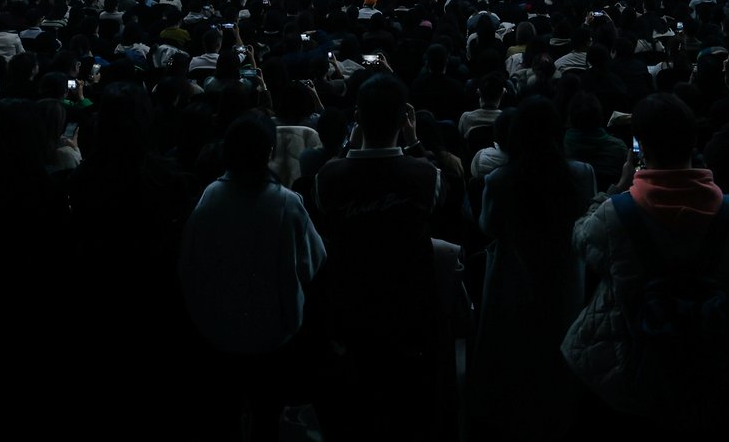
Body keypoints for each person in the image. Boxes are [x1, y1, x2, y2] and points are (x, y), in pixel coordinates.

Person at [562, 93, 729, 431]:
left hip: (628, 374)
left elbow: (580, 240)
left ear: (641, 149)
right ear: (694, 142)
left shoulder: (615, 214)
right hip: (712, 378)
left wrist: (617, 187)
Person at [180, 112, 325, 442]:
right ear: (269, 152)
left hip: (217, 331)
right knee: (267, 417)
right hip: (275, 334)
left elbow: (190, 265)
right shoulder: (287, 203)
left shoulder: (209, 197)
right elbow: (313, 262)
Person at [313, 74, 443, 440]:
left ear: (357, 117)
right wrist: (415, 142)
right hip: (409, 311)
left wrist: (345, 147)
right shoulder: (424, 174)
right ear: (404, 119)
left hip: (349, 312)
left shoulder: (329, 176)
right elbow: (440, 195)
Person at [469, 97, 596, 440]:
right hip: (565, 281)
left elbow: (488, 226)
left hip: (513, 281)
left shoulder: (499, 179)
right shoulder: (581, 174)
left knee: (514, 357)